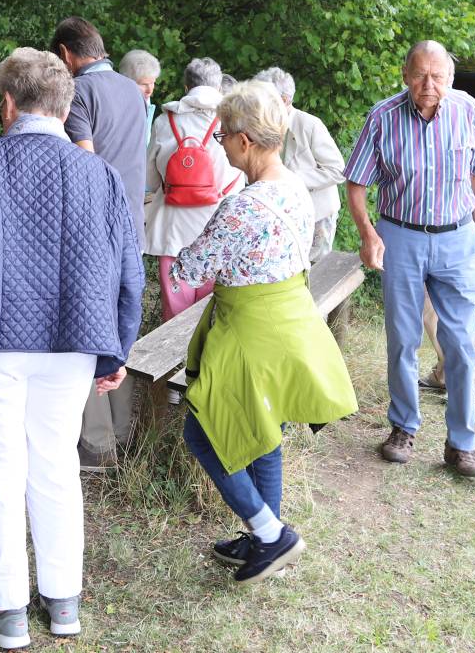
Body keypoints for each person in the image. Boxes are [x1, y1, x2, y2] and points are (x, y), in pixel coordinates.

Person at [0, 48, 142, 647]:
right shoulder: (100, 174)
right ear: (67, 106)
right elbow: (129, 273)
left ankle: (9, 611)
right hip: (74, 342)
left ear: (8, 103)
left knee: (1, 470)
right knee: (56, 464)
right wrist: (117, 349)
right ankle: (64, 605)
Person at [170, 82, 357, 584]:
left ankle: (269, 533)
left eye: (224, 135)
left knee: (202, 432)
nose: (220, 144)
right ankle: (264, 538)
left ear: (247, 141)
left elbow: (187, 270)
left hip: (248, 331)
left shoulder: (242, 207)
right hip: (289, 319)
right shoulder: (295, 187)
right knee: (264, 428)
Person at [345, 41, 475, 477]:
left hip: (457, 239)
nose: (429, 86)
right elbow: (356, 183)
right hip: (402, 237)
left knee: (461, 343)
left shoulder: (468, 110)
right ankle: (403, 428)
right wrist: (367, 233)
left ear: (450, 78)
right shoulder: (382, 117)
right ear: (405, 75)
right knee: (403, 339)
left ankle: (461, 444)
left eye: (438, 77)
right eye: (420, 76)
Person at [51, 16, 148, 468]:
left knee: (84, 329)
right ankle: (125, 431)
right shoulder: (133, 89)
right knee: (118, 325)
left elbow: (85, 166)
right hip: (132, 223)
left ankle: (97, 443)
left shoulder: (79, 93)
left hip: (94, 230)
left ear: (68, 54)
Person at [144, 57, 243, 319]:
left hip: (172, 232)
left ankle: (175, 360)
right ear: (218, 87)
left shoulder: (165, 122)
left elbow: (152, 180)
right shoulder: (233, 121)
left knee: (175, 316)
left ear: (187, 88)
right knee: (211, 313)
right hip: (218, 229)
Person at [252, 67, 346, 263]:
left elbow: (338, 170)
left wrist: (293, 177)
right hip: (281, 215)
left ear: (285, 100)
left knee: (317, 274)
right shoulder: (263, 126)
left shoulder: (309, 124)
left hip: (318, 214)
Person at [117, 48, 161, 153]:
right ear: (126, 81)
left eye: (153, 82)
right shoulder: (117, 106)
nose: (150, 90)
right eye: (144, 84)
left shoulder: (145, 100)